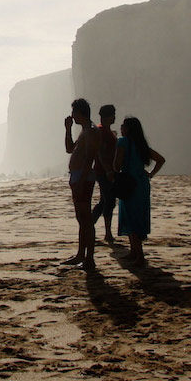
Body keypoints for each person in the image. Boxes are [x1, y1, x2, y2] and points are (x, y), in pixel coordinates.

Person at [114, 116, 165, 265]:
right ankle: (134, 252)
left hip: (128, 182)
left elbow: (116, 165)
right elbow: (161, 159)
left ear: (128, 129)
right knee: (137, 214)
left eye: (123, 126)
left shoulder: (123, 142)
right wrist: (151, 174)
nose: (121, 128)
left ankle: (139, 255)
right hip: (141, 182)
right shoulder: (141, 144)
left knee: (130, 216)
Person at [62, 98, 101, 270]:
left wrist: (82, 180)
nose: (72, 116)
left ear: (79, 113)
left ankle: (89, 259)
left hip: (83, 178)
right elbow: (70, 149)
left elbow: (89, 158)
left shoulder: (91, 131)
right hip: (78, 177)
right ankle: (81, 255)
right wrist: (68, 129)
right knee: (81, 218)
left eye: (73, 113)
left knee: (86, 219)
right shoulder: (84, 130)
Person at [89, 105, 118, 243]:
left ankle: (89, 225)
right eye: (113, 114)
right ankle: (107, 233)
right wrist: (108, 170)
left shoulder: (107, 131)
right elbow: (100, 152)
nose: (115, 117)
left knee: (104, 201)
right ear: (108, 116)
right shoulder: (101, 131)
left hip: (106, 170)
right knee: (108, 201)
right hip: (103, 171)